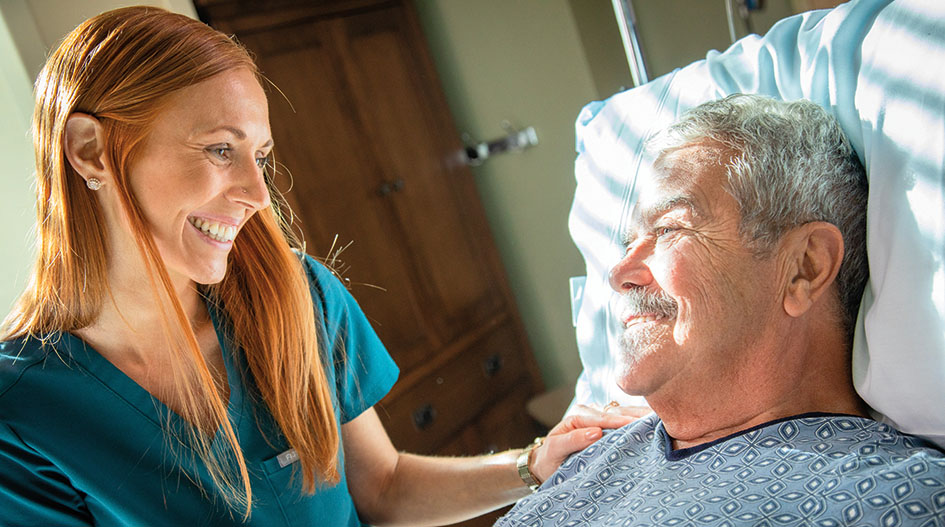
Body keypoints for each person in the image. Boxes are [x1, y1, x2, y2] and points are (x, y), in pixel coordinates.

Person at [0, 7, 635, 526]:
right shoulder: (24, 412)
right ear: (90, 151)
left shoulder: (298, 295)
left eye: (261, 156)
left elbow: (381, 488)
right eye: (221, 149)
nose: (256, 192)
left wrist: (534, 466)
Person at [496, 95, 945, 526]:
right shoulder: (584, 457)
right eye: (627, 243)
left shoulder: (895, 498)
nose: (618, 273)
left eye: (669, 228)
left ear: (804, 268)